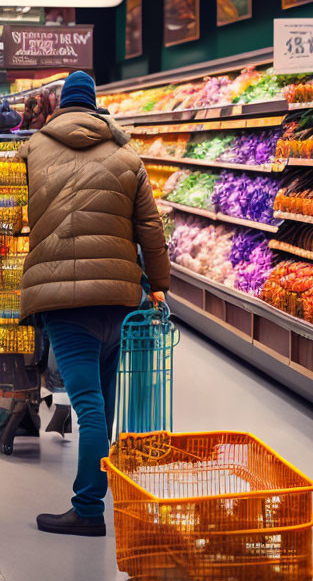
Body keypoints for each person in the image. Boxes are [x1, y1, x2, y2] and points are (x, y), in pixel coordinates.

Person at [18, 71, 170, 537]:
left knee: (88, 406)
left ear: (63, 106)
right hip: (120, 300)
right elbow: (151, 231)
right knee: (101, 401)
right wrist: (158, 286)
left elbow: (24, 211)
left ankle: (87, 509)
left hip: (64, 299)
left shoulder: (35, 148)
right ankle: (94, 498)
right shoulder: (127, 153)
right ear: (98, 107)